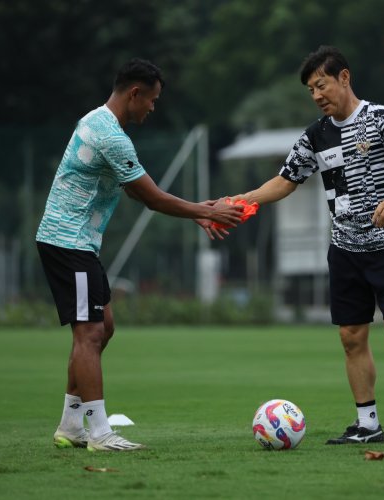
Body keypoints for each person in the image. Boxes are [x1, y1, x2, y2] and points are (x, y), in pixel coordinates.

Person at [35, 58, 242, 452]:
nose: (152, 107)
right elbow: (151, 197)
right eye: (152, 100)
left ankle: (70, 425)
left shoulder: (99, 122)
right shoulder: (109, 134)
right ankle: (98, 433)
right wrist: (206, 210)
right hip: (67, 242)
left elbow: (134, 190)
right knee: (89, 333)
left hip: (79, 243)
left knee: (103, 327)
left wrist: (198, 214)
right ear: (134, 93)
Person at [229, 46, 384, 443]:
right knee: (351, 336)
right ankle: (368, 424)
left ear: (344, 77)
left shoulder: (381, 118)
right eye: (310, 90)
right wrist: (238, 201)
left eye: (321, 85)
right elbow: (284, 181)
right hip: (345, 248)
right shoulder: (315, 135)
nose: (317, 95)